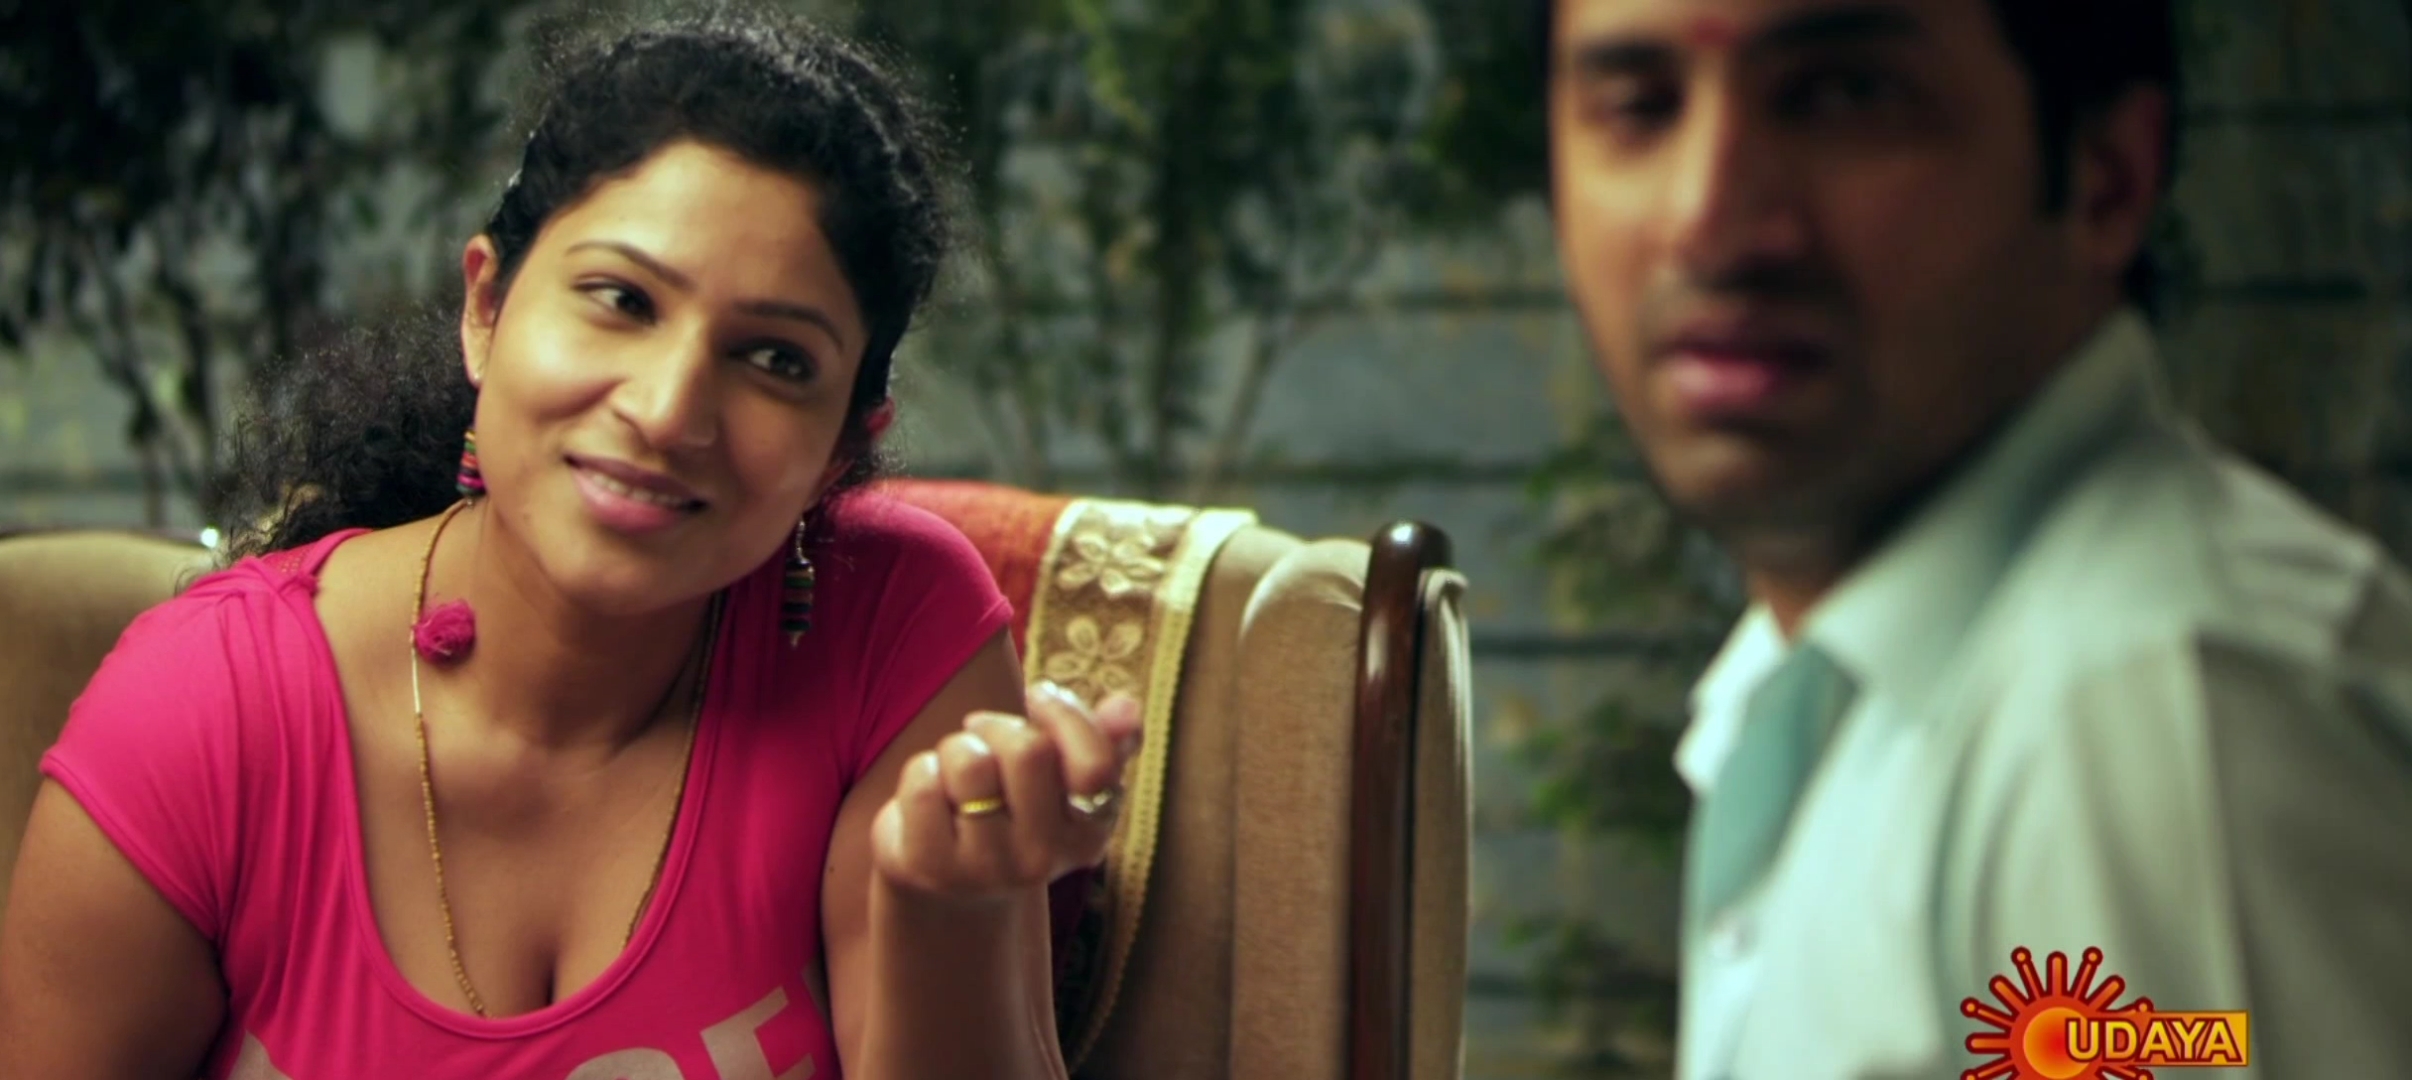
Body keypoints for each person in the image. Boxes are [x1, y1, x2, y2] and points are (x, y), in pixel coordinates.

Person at [0, 11, 1141, 1080]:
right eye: (621, 300)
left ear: (844, 447)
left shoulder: (896, 630)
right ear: (486, 308)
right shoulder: (208, 707)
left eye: (775, 360)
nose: (669, 410)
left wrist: (946, 907)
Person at [1542, 0, 2412, 1076]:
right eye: (1639, 105)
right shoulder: (1843, 687)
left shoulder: (2151, 719)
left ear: (2105, 178)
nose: (1708, 219)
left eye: (1844, 96)